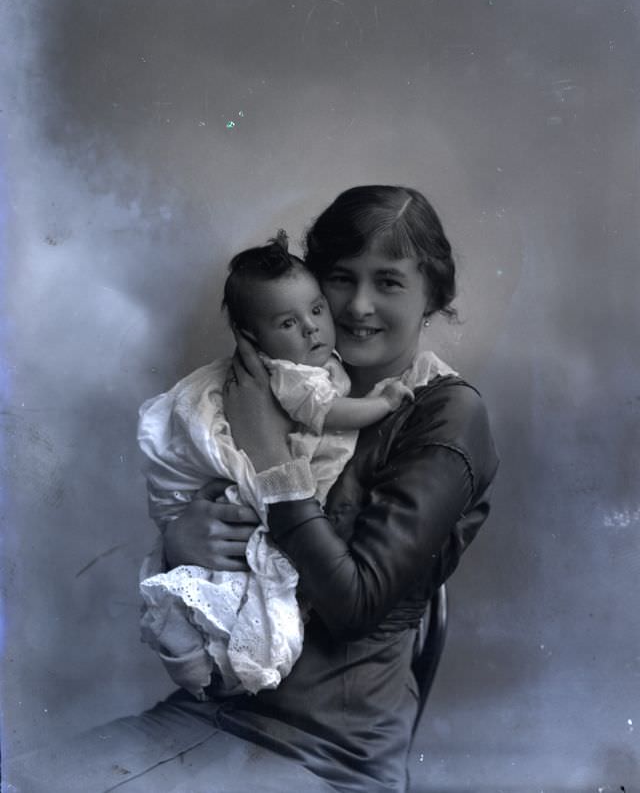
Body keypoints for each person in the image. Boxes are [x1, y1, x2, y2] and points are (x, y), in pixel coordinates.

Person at [7, 185, 498, 793]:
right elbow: (219, 528)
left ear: (434, 296)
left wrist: (269, 456)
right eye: (341, 279)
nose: (358, 306)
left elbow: (354, 604)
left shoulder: (446, 416)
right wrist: (180, 541)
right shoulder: (270, 389)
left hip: (323, 751)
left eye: (389, 282)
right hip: (205, 715)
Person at [138, 231, 413, 699]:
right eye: (289, 322)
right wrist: (383, 402)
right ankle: (214, 661)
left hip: (322, 716)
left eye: (316, 310)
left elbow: (355, 599)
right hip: (238, 501)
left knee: (228, 589)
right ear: (252, 338)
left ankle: (203, 659)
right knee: (239, 579)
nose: (311, 329)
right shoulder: (290, 376)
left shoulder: (305, 370)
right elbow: (328, 412)